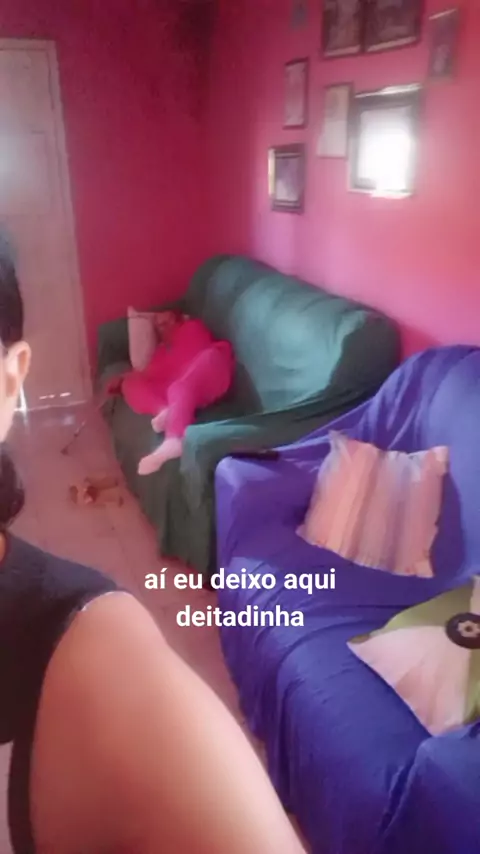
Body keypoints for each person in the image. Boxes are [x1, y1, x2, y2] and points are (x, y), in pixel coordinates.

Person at [0, 248, 305, 853]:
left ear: (11, 381)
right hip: (182, 379)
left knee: (177, 388)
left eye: (164, 321)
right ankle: (171, 425)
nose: (161, 323)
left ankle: (174, 434)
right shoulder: (176, 332)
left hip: (207, 379)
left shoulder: (99, 658)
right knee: (147, 386)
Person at [108, 311, 234, 475]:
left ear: (180, 319)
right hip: (181, 389)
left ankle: (174, 439)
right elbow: (148, 375)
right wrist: (123, 380)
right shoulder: (161, 352)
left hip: (209, 369)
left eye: (167, 322)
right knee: (130, 384)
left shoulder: (192, 328)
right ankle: (164, 411)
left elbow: (189, 356)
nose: (163, 328)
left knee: (179, 386)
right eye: (159, 326)